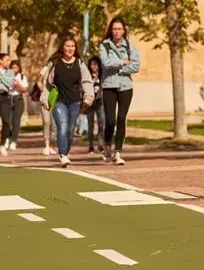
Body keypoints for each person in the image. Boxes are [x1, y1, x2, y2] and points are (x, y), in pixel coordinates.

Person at [44, 37, 94, 168]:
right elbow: (47, 83)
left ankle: (65, 152)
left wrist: (88, 98)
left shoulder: (79, 64)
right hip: (59, 101)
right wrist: (45, 99)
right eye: (67, 46)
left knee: (70, 131)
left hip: (75, 102)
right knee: (63, 127)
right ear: (62, 48)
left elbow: (87, 82)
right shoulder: (55, 63)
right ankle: (62, 155)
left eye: (73, 46)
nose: (70, 48)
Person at [100, 17, 141, 166]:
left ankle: (118, 152)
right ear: (111, 30)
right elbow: (105, 63)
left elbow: (136, 66)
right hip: (109, 86)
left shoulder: (130, 46)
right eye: (114, 29)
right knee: (110, 120)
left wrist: (119, 68)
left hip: (126, 87)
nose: (117, 31)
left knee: (121, 119)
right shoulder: (104, 46)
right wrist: (123, 62)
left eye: (119, 29)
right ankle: (107, 144)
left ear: (124, 30)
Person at [7, 60, 29, 151]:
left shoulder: (22, 77)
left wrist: (18, 84)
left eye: (15, 68)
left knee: (16, 122)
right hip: (8, 99)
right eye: (12, 68)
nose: (14, 70)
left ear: (19, 68)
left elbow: (24, 90)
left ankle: (13, 141)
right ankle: (7, 139)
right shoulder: (6, 77)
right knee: (7, 121)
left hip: (18, 99)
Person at [85, 57, 106, 155]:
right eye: (92, 64)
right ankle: (90, 146)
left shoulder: (102, 76)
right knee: (90, 125)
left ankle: (101, 145)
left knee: (101, 123)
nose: (93, 66)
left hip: (99, 102)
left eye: (95, 64)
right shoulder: (88, 75)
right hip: (90, 102)